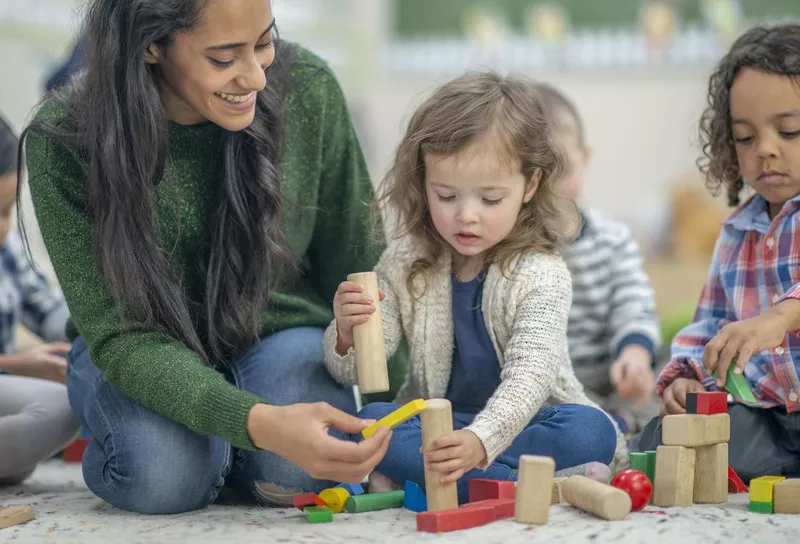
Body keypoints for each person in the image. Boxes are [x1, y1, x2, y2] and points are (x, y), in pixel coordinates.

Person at [20, 0, 393, 514]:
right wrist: (260, 423)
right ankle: (225, 452)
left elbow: (364, 266)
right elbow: (123, 334)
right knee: (162, 479)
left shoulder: (307, 87)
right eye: (224, 58)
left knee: (297, 474)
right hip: (140, 347)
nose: (257, 78)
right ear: (151, 45)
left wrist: (390, 427)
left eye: (264, 43)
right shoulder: (65, 139)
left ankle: (234, 454)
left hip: (279, 333)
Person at [323, 72, 625, 503]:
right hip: (441, 429)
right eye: (446, 196)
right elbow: (357, 375)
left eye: (489, 199)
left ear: (531, 185)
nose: (467, 216)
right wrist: (347, 335)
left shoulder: (542, 272)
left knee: (591, 430)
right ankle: (518, 484)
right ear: (423, 179)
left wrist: (482, 442)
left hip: (524, 422)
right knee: (365, 421)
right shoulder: (407, 261)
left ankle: (451, 479)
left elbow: (531, 377)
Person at [630, 23, 800, 482]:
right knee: (664, 440)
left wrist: (779, 318)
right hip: (765, 414)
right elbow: (710, 323)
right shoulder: (736, 231)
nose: (765, 149)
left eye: (789, 130)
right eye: (745, 137)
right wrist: (686, 379)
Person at [534, 83, 662, 436]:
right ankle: (598, 427)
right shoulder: (512, 250)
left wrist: (634, 353)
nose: (549, 186)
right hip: (548, 387)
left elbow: (633, 304)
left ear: (585, 158)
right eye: (535, 173)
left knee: (672, 370)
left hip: (611, 379)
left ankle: (618, 421)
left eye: (561, 168)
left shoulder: (613, 239)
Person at [0, 113, 77, 486]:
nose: (5, 228)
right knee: (54, 410)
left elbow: (48, 308)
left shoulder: (7, 246)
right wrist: (16, 364)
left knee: (62, 405)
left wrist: (99, 327)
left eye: (7, 211)